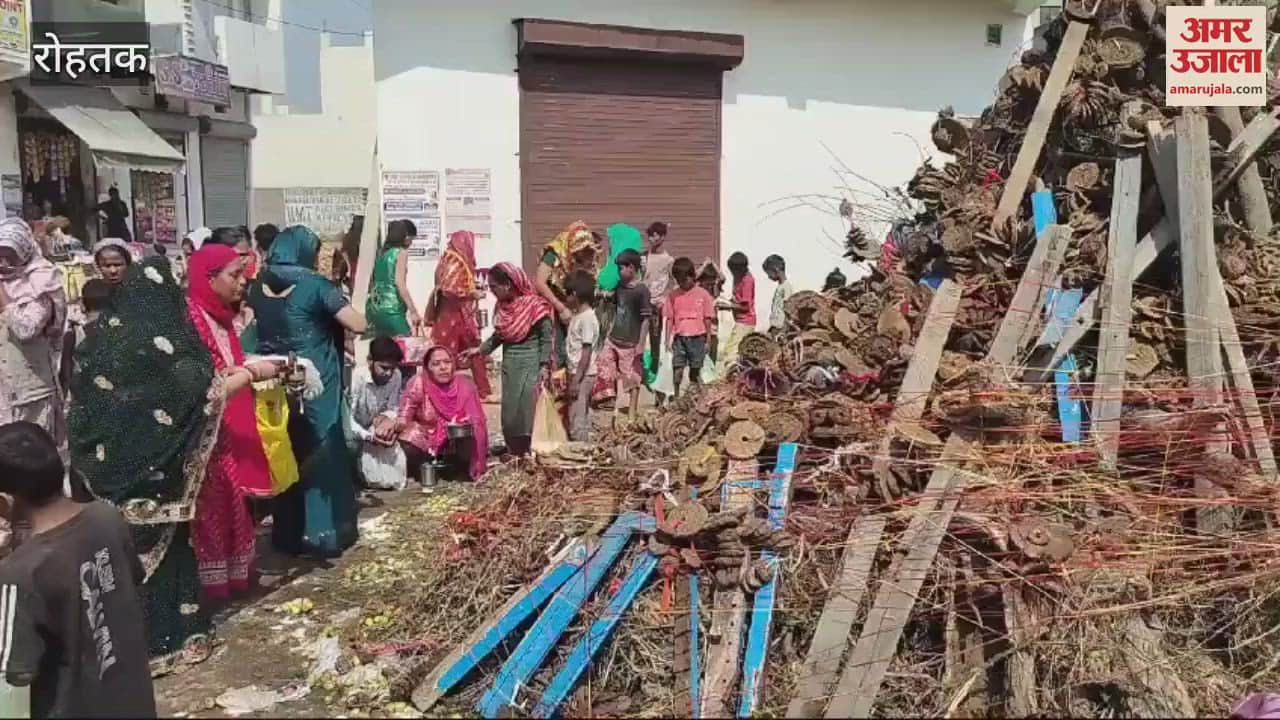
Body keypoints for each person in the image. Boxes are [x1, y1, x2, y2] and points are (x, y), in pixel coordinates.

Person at [69, 255, 283, 673]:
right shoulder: (165, 346)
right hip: (157, 477)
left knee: (118, 559)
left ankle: (117, 645)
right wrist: (255, 372)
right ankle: (169, 640)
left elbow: (81, 406)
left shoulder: (100, 340)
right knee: (165, 561)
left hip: (108, 473)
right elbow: (204, 393)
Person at [0, 422, 157, 719]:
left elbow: (13, 675)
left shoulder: (18, 574)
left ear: (5, 501)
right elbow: (131, 583)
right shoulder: (107, 517)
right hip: (134, 703)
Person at [249, 225, 366, 558]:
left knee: (286, 450)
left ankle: (288, 533)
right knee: (321, 449)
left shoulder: (259, 285)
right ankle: (324, 532)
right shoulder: (315, 285)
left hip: (275, 378)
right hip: (315, 379)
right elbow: (356, 324)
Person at [186, 244, 274, 600]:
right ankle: (211, 586)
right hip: (202, 434)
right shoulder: (192, 320)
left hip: (221, 432)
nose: (243, 282)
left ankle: (229, 577)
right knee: (210, 507)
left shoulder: (219, 317)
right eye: (234, 275)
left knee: (228, 500)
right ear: (209, 279)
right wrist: (253, 372)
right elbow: (209, 388)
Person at [463, 263, 552, 457]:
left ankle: (532, 450)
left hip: (531, 364)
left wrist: (544, 365)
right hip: (510, 366)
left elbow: (546, 338)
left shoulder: (535, 306)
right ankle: (515, 450)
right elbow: (499, 337)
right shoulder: (503, 308)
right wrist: (478, 350)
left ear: (509, 285)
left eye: (494, 287)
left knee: (528, 409)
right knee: (510, 411)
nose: (492, 292)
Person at [0, 219, 68, 456]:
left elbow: (25, 329)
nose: (3, 262)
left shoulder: (41, 282)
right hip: (2, 389)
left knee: (30, 457)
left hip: (30, 391)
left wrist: (2, 295)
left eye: (10, 255)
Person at [398, 346, 489, 483]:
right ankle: (422, 468)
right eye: (436, 364)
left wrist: (463, 423)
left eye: (447, 362)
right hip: (426, 441)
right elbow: (404, 417)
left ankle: (460, 468)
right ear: (428, 368)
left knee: (471, 431)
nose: (443, 367)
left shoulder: (465, 385)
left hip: (454, 441)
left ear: (453, 364)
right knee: (408, 436)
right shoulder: (418, 383)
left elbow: (478, 421)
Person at [428, 230, 491, 397]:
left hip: (456, 314)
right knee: (448, 354)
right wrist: (472, 294)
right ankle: (445, 389)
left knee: (473, 350)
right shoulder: (453, 261)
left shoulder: (449, 259)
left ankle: (482, 389)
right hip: (453, 315)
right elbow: (449, 289)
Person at [592, 249, 649, 418]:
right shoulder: (620, 287)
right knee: (605, 365)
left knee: (630, 376)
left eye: (620, 268)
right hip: (613, 338)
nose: (618, 272)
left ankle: (632, 411)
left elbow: (646, 320)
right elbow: (613, 301)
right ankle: (613, 402)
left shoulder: (641, 291)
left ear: (631, 268)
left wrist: (641, 343)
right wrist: (601, 294)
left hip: (630, 343)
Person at [535, 221, 599, 368]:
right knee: (557, 350)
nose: (585, 256)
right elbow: (539, 282)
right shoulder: (554, 253)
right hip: (553, 306)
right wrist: (561, 308)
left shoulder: (589, 254)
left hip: (574, 306)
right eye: (581, 252)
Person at [349, 336, 406, 491]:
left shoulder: (396, 376)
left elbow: (393, 407)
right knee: (350, 444)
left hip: (374, 428)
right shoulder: (356, 378)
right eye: (383, 368)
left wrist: (387, 421)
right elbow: (347, 418)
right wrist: (369, 437)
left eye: (392, 368)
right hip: (354, 431)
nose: (388, 373)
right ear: (370, 361)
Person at [664, 257, 716, 399]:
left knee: (695, 370)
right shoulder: (673, 296)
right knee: (677, 369)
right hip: (680, 338)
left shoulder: (703, 295)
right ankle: (676, 396)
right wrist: (667, 341)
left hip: (698, 338)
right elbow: (670, 319)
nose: (682, 284)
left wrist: (708, 340)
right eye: (679, 281)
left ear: (693, 277)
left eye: (685, 280)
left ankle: (695, 397)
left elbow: (707, 319)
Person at [366, 219, 420, 338]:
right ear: (406, 237)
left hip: (375, 308)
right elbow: (399, 283)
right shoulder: (401, 253)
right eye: (411, 239)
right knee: (405, 346)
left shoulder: (381, 253)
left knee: (384, 347)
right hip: (392, 308)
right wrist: (413, 311)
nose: (411, 243)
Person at [562, 270, 599, 442]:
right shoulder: (579, 317)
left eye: (567, 294)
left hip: (583, 375)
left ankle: (581, 450)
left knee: (577, 418)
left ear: (575, 295)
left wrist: (576, 379)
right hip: (578, 374)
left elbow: (586, 351)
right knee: (579, 412)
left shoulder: (587, 319)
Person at [60, 278, 110, 392]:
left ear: (82, 304)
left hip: (85, 398)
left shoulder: (73, 335)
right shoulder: (119, 330)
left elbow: (65, 376)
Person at [642, 221, 674, 375]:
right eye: (649, 235)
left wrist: (664, 299)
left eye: (654, 235)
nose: (651, 239)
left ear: (662, 237)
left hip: (657, 308)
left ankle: (655, 371)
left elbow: (673, 284)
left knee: (656, 340)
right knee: (640, 339)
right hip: (643, 305)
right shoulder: (644, 258)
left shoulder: (668, 261)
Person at [720, 251, 757, 373]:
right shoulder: (738, 277)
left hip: (745, 321)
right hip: (740, 320)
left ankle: (732, 377)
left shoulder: (747, 281)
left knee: (731, 352)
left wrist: (728, 306)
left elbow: (745, 307)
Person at [763, 254, 793, 334]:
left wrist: (785, 328)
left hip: (781, 327)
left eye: (769, 273)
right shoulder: (780, 287)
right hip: (775, 326)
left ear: (776, 270)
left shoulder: (786, 287)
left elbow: (788, 308)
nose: (769, 276)